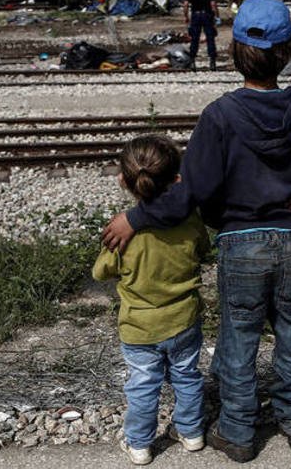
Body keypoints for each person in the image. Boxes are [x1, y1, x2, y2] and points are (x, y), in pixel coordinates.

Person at [102, 0, 291, 463]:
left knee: (239, 341)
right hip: (287, 241)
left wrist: (135, 217)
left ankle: (239, 434)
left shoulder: (219, 117)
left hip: (239, 244)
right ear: (287, 52)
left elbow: (191, 192)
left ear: (233, 51)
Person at [93, 134, 210, 466]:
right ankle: (191, 433)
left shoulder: (123, 232)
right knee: (186, 375)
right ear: (176, 178)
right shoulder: (190, 220)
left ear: (123, 181)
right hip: (184, 318)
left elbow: (102, 272)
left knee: (144, 386)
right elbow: (204, 250)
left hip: (140, 327)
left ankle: (141, 444)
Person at [183, 0, 219, 70]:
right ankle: (212, 62)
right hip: (206, 15)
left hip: (195, 15)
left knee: (195, 38)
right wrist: (217, 16)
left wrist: (186, 16)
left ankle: (192, 61)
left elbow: (185, 4)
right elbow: (213, 4)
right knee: (210, 38)